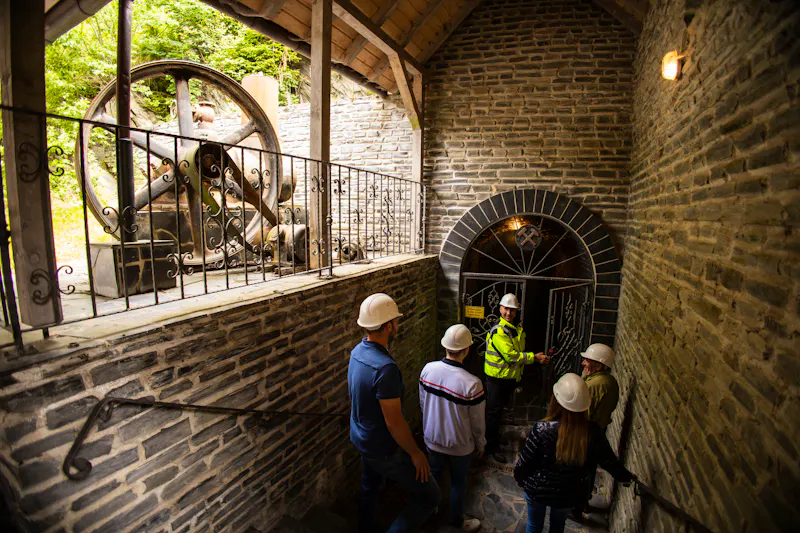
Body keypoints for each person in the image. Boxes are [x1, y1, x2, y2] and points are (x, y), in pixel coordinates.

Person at [348, 293, 440, 533]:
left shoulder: (357, 352)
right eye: (396, 322)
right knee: (430, 496)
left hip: (361, 437)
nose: (397, 325)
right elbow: (394, 422)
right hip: (382, 447)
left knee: (370, 486)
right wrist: (415, 453)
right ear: (389, 325)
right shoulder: (385, 368)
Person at [513, 373, 635, 533]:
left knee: (534, 526)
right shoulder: (592, 432)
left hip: (538, 489)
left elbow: (526, 462)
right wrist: (626, 477)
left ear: (556, 400)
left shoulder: (542, 429)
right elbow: (608, 460)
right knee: (558, 527)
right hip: (568, 493)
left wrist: (521, 480)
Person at [419, 324, 485, 533]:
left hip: (432, 439)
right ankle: (456, 521)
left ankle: (432, 513)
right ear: (466, 350)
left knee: (435, 477)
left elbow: (423, 403)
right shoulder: (472, 384)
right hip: (460, 446)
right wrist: (481, 443)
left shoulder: (428, 369)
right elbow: (477, 422)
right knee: (458, 482)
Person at [484, 293, 550, 462]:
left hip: (506, 378)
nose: (509, 313)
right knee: (493, 412)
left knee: (498, 411)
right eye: (506, 309)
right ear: (500, 309)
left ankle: (494, 438)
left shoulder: (515, 328)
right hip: (496, 379)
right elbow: (511, 356)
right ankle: (490, 445)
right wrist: (534, 358)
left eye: (512, 310)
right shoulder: (500, 331)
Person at [573, 343, 621, 518]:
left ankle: (576, 508)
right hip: (597, 431)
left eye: (588, 361)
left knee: (579, 471)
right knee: (588, 470)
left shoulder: (594, 385)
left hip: (585, 434)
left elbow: (583, 412)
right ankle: (583, 501)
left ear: (599, 365)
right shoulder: (610, 381)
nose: (584, 363)